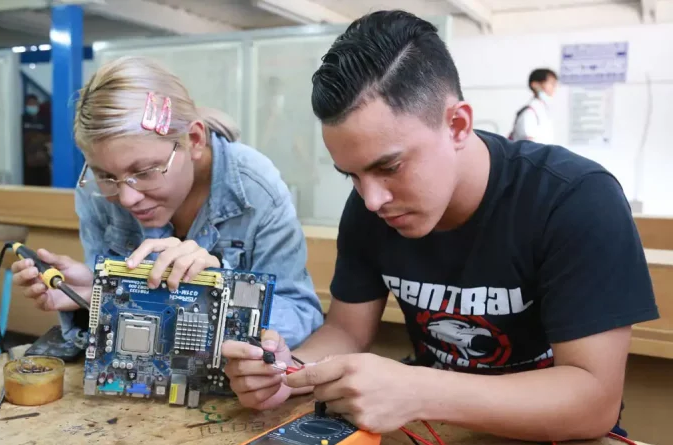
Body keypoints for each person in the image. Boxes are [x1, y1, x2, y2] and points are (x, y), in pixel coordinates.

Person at [222, 10, 658, 443]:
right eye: (350, 175)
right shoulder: (371, 207)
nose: (372, 198)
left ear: (458, 125)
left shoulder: (574, 198)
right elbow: (347, 330)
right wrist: (289, 368)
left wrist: (419, 390)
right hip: (438, 427)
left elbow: (594, 400)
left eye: (389, 166)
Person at [10, 56, 324, 349]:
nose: (127, 197)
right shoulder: (97, 191)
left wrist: (220, 289)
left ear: (195, 141)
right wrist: (95, 293)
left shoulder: (256, 189)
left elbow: (301, 314)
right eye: (105, 175)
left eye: (144, 172)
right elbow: (120, 327)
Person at [509, 68, 558, 144]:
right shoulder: (529, 112)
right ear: (535, 85)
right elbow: (529, 145)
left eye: (555, 84)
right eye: (551, 83)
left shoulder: (543, 110)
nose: (554, 88)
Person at [22, 94, 52, 186]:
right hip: (28, 163)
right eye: (30, 104)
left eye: (34, 104)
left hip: (42, 161)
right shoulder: (23, 119)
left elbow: (49, 136)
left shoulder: (44, 120)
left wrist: (36, 139)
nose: (32, 106)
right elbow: (24, 139)